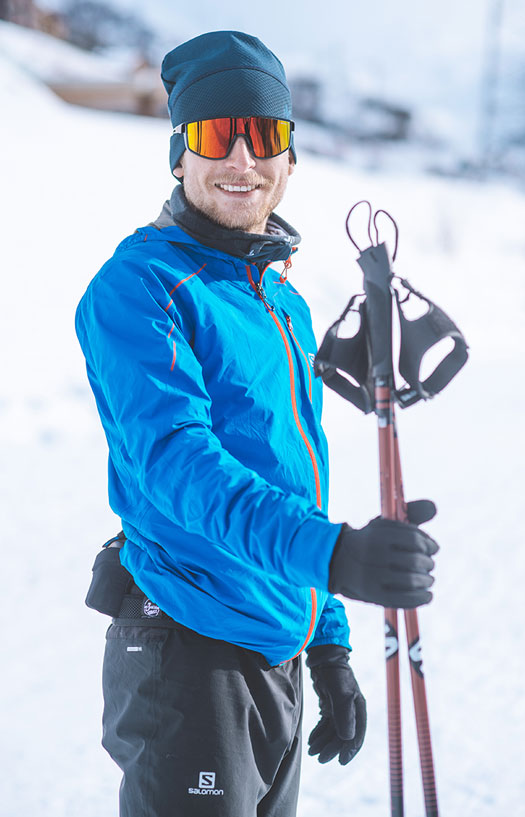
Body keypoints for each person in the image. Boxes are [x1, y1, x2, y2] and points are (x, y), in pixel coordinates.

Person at [76, 30, 438, 817]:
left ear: (289, 157)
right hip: (188, 657)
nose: (241, 159)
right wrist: (334, 555)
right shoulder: (141, 287)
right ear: (180, 155)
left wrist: (328, 637)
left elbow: (290, 480)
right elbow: (179, 465)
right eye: (216, 135)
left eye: (263, 135)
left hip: (274, 650)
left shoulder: (282, 301)